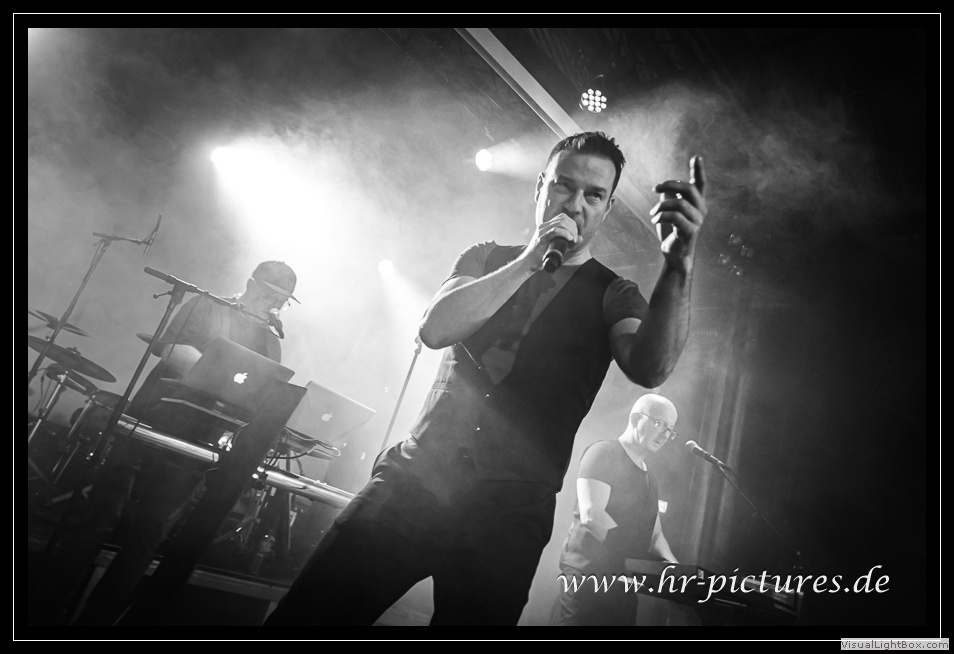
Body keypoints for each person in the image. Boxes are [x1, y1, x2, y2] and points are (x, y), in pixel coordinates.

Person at [264, 131, 706, 627]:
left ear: (606, 208)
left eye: (594, 195)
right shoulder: (486, 258)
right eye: (563, 186)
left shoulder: (613, 293)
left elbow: (650, 367)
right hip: (418, 477)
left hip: (510, 514)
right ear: (540, 187)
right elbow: (436, 329)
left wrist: (678, 266)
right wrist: (532, 259)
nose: (575, 205)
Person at [28, 260, 298, 626]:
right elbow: (173, 349)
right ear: (250, 285)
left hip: (197, 443)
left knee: (147, 537)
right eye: (269, 295)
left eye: (281, 300)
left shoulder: (270, 341)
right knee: (98, 516)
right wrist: (224, 385)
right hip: (152, 419)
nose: (274, 304)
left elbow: (263, 391)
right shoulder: (207, 305)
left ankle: (96, 623)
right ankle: (45, 614)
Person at [551, 393, 680, 626]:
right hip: (587, 580)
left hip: (623, 586)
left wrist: (676, 568)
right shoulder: (603, 453)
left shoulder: (650, 479)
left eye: (670, 430)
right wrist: (632, 557)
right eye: (660, 423)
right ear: (635, 419)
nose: (665, 434)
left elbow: (655, 535)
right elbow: (592, 515)